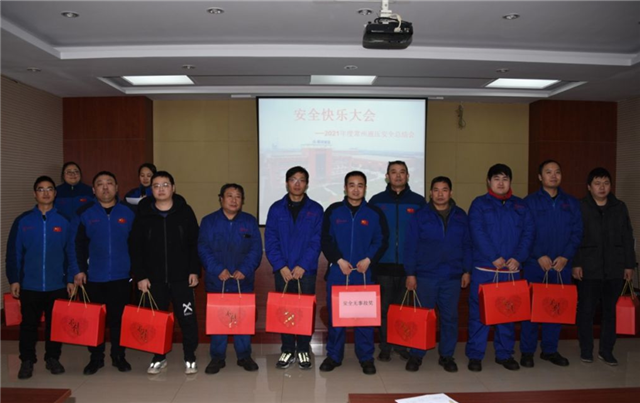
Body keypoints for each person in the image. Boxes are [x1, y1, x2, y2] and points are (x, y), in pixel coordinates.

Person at [129, 171, 200, 375]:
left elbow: (194, 243)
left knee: (187, 319)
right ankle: (159, 357)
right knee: (156, 320)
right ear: (151, 190)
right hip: (153, 280)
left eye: (165, 185)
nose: (161, 189)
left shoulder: (185, 212)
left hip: (182, 279)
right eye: (156, 186)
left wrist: (194, 270)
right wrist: (140, 275)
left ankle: (190, 356)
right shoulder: (144, 214)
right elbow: (136, 247)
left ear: (173, 188)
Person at [465, 163, 534, 372]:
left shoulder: (521, 206)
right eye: (496, 178)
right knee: (479, 315)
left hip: (510, 271)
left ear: (510, 181)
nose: (501, 183)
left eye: (505, 179)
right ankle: (475, 355)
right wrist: (493, 256)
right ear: (489, 181)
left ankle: (504, 354)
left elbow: (528, 233)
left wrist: (519, 258)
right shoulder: (479, 204)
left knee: (508, 314)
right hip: (486, 270)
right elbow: (477, 232)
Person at [5, 176, 75, 379]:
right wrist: (14, 279)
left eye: (49, 189)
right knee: (28, 325)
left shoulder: (64, 220)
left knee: (55, 325)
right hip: (30, 284)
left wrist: (71, 279)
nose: (45, 193)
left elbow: (71, 252)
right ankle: (27, 360)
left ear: (55, 193)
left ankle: (52, 358)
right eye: (41, 189)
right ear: (34, 194)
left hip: (57, 283)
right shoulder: (23, 221)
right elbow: (14, 252)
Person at [320, 171, 389, 375]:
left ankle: (366, 357)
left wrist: (369, 259)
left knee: (364, 319)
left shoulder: (374, 213)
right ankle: (334, 356)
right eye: (352, 185)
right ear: (345, 188)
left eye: (360, 185)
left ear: (365, 188)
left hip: (364, 273)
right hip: (338, 272)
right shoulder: (333, 211)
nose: (356, 189)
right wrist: (338, 260)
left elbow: (382, 240)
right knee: (336, 318)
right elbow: (325, 239)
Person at [403, 176, 472, 373]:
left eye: (444, 190)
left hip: (452, 276)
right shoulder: (420, 215)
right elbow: (410, 246)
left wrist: (467, 270)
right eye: (436, 190)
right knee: (422, 317)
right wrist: (410, 273)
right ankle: (417, 354)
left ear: (450, 192)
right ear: (430, 193)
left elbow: (467, 245)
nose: (440, 194)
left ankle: (447, 355)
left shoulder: (460, 216)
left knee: (450, 318)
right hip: (426, 275)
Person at [71, 171, 136, 375]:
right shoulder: (84, 213)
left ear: (117, 188)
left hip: (122, 276)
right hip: (93, 277)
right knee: (94, 321)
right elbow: (75, 245)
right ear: (94, 190)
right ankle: (96, 358)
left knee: (119, 320)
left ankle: (118, 356)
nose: (105, 187)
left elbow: (138, 245)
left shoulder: (129, 212)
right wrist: (78, 270)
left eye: (109, 183)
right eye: (100, 184)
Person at [520, 160, 582, 368]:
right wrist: (538, 255)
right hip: (535, 264)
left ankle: (550, 350)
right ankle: (527, 351)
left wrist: (566, 256)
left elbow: (577, 232)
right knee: (531, 310)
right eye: (548, 172)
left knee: (555, 309)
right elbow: (525, 233)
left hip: (561, 266)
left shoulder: (571, 203)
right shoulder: (529, 202)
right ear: (540, 177)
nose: (553, 176)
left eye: (557, 172)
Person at [573, 167, 635, 366]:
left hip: (615, 268)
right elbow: (574, 238)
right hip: (588, 268)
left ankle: (607, 351)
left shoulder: (619, 207)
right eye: (597, 183)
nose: (602, 187)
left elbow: (628, 237)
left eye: (606, 183)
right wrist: (576, 263)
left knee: (611, 312)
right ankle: (586, 350)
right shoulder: (580, 207)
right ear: (589, 187)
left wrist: (629, 264)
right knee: (586, 311)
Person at [198, 183, 263, 374]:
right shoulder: (209, 221)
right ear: (221, 199)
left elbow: (256, 250)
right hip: (218, 280)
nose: (234, 200)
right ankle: (217, 358)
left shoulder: (249, 221)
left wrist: (245, 269)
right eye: (229, 196)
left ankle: (244, 356)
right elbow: (203, 248)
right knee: (218, 320)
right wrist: (218, 269)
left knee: (243, 320)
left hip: (242, 281)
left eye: (238, 196)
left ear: (242, 200)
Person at [265, 166, 323, 370]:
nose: (297, 184)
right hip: (282, 271)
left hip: (306, 271)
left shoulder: (316, 209)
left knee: (304, 311)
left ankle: (304, 349)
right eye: (293, 180)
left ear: (307, 184)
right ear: (286, 183)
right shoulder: (276, 208)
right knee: (285, 310)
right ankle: (288, 349)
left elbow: (316, 241)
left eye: (301, 180)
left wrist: (303, 266)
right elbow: (270, 240)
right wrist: (280, 265)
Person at [369, 161, 426, 362]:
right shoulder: (376, 201)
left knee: (403, 309)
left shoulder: (418, 202)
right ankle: (385, 346)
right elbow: (371, 233)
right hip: (383, 265)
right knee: (384, 310)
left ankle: (402, 344)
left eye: (402, 172)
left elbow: (424, 236)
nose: (398, 175)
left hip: (408, 266)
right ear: (387, 176)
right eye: (393, 172)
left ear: (408, 176)